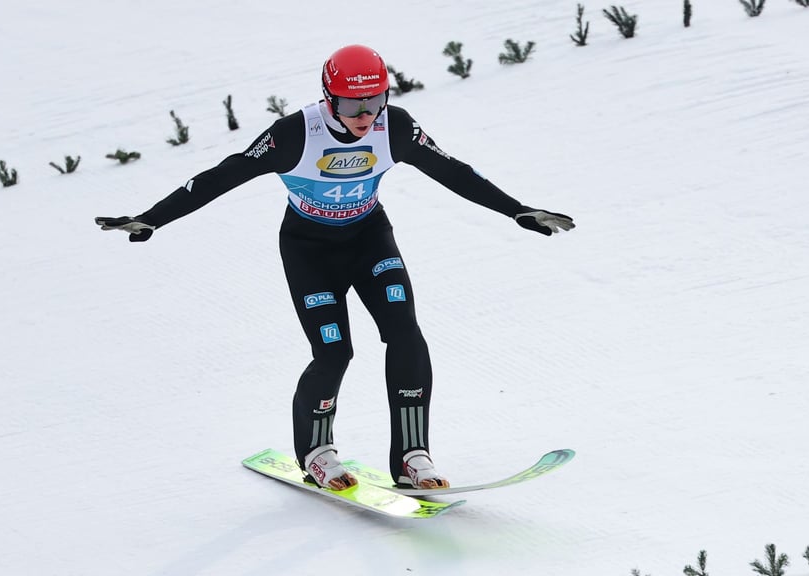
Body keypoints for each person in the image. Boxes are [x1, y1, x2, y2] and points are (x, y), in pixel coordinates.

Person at [95, 44, 574, 491]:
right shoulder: (294, 134)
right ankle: (317, 452)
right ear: (328, 100)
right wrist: (154, 218)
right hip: (309, 251)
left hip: (369, 239)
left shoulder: (397, 126)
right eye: (351, 106)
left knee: (406, 334)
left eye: (376, 102)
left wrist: (517, 210)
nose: (366, 116)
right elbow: (223, 174)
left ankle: (412, 457)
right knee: (334, 353)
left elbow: (454, 171)